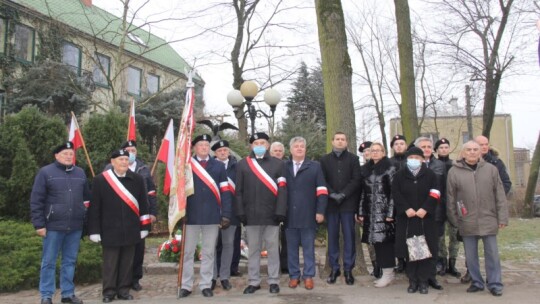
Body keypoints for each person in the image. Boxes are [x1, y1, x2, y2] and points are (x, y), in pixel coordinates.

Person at [88, 149, 151, 302]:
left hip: (131, 229)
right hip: (109, 229)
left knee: (127, 263)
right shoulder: (100, 180)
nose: (124, 162)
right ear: (112, 162)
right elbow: (94, 207)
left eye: (126, 159)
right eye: (120, 159)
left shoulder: (137, 179)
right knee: (110, 263)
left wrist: (144, 227)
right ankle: (108, 292)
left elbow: (144, 204)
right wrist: (94, 231)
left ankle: (124, 290)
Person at [30, 142, 90, 304]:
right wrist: (39, 224)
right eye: (65, 153)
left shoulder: (80, 173)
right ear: (56, 156)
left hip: (75, 226)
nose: (69, 156)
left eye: (71, 154)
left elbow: (86, 199)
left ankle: (67, 294)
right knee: (48, 262)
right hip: (52, 226)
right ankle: (46, 295)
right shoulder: (46, 172)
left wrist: (85, 219)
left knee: (69, 261)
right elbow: (37, 200)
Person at [446, 141, 509, 297]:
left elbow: (500, 195)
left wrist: (502, 217)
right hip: (466, 220)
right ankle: (476, 282)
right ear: (463, 153)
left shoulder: (491, 170)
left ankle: (494, 283)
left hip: (489, 219)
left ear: (481, 151)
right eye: (469, 150)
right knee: (471, 255)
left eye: (475, 149)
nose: (472, 152)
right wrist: (455, 220)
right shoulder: (454, 172)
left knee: (492, 254)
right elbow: (450, 198)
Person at [178, 134, 232, 298]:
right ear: (194, 147)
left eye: (206, 145)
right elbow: (179, 191)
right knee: (187, 253)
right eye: (201, 145)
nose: (204, 147)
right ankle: (186, 285)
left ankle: (205, 284)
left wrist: (226, 214)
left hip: (211, 215)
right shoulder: (187, 165)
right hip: (191, 216)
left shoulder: (218, 166)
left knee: (209, 252)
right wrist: (179, 212)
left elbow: (225, 191)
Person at [235, 132, 287, 295]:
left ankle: (273, 281)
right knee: (254, 250)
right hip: (251, 215)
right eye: (256, 143)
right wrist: (241, 212)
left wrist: (280, 211)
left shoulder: (278, 164)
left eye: (262, 142)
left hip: (272, 215)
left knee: (272, 249)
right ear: (251, 146)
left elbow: (283, 189)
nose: (259, 146)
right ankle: (254, 281)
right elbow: (238, 191)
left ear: (268, 145)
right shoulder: (243, 164)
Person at [103, 140, 158, 292]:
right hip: (115, 219)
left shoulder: (143, 169)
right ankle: (114, 284)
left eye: (133, 150)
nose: (131, 153)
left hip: (138, 215)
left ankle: (134, 279)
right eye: (128, 150)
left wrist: (152, 213)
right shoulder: (109, 170)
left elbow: (151, 192)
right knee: (116, 253)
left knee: (138, 250)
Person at [392, 147, 440, 295]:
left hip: (425, 219)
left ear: (423, 159)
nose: (414, 160)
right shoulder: (399, 175)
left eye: (417, 157)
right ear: (407, 159)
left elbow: (435, 192)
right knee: (410, 250)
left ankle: (424, 281)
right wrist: (406, 208)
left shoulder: (431, 175)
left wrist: (425, 208)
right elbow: (396, 193)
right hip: (407, 219)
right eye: (412, 157)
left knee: (424, 251)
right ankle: (412, 280)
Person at [284, 137, 328, 290]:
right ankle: (294, 276)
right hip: (289, 215)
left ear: (305, 149)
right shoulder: (284, 166)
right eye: (296, 146)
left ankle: (309, 276)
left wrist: (320, 211)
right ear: (290, 150)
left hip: (309, 214)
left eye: (302, 146)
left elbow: (322, 190)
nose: (299, 148)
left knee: (309, 248)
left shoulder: (315, 167)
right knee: (291, 248)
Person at [320, 132, 362, 285]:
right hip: (331, 205)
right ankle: (334, 268)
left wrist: (343, 194)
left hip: (348, 204)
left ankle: (348, 269)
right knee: (332, 237)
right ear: (332, 141)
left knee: (349, 237)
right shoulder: (324, 160)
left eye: (342, 139)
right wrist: (331, 193)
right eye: (337, 139)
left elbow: (356, 179)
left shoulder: (354, 159)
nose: (339, 142)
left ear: (346, 142)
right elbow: (322, 179)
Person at [356, 142, 397, 288]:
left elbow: (394, 193)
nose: (374, 153)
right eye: (372, 151)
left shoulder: (390, 168)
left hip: (384, 213)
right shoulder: (366, 170)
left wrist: (391, 212)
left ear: (384, 152)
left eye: (378, 150)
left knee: (385, 244)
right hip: (370, 213)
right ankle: (383, 272)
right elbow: (362, 193)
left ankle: (388, 273)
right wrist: (360, 211)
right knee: (377, 244)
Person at [414, 137, 445, 290]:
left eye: (428, 146)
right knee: (418, 245)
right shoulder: (410, 166)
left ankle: (432, 276)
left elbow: (442, 189)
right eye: (423, 147)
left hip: (435, 212)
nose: (426, 149)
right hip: (416, 213)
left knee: (433, 246)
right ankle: (420, 278)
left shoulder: (439, 165)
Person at [211, 139, 238, 291]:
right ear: (215, 153)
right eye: (220, 151)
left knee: (228, 245)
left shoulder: (236, 166)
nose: (223, 152)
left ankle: (225, 277)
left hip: (231, 213)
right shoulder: (209, 167)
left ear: (229, 151)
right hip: (212, 213)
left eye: (225, 150)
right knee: (212, 246)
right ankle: (212, 276)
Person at [434, 138, 460, 277]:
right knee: (440, 237)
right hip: (439, 206)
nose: (444, 150)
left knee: (455, 236)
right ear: (436, 150)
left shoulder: (455, 165)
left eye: (446, 147)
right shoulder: (435, 165)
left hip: (454, 205)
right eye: (441, 148)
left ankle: (453, 264)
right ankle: (442, 262)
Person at [359, 141, 380, 279]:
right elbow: (359, 191)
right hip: (367, 209)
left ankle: (385, 265)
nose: (367, 153)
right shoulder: (362, 169)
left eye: (369, 150)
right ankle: (375, 267)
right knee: (370, 241)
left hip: (381, 209)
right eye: (365, 152)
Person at [270, 141, 289, 275]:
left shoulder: (288, 166)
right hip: (271, 207)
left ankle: (285, 265)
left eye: (280, 151)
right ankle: (274, 266)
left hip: (287, 206)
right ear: (271, 153)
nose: (277, 153)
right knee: (272, 240)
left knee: (287, 239)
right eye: (275, 151)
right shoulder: (266, 166)